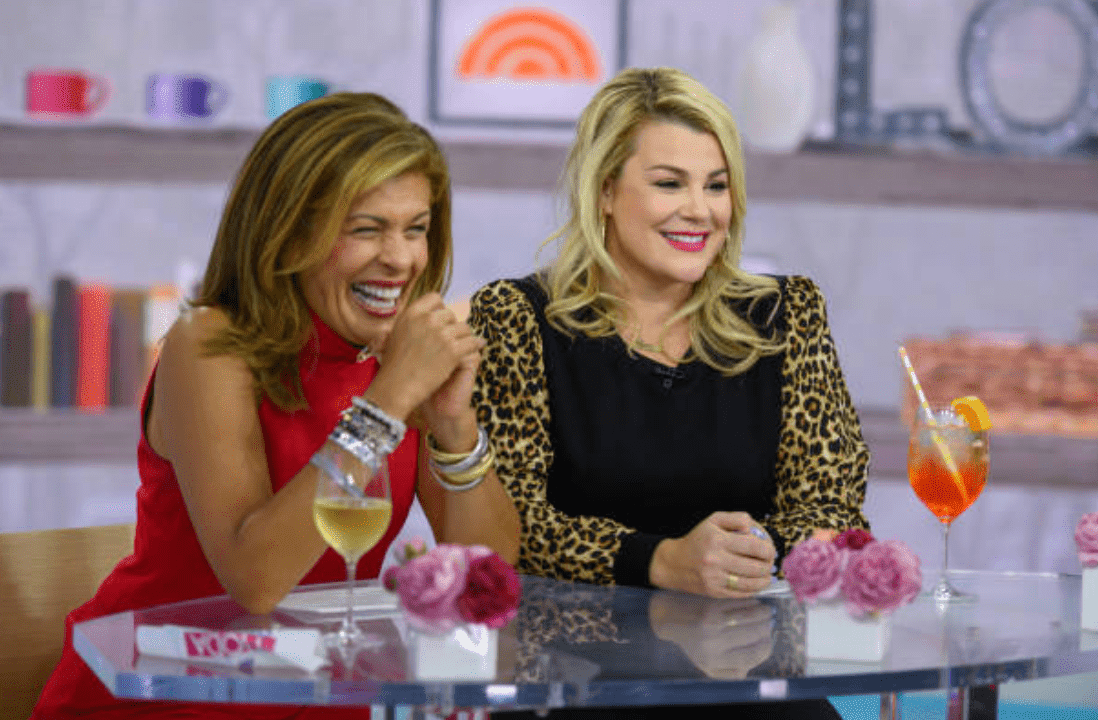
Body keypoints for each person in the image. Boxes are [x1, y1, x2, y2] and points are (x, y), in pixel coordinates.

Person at [32, 92, 520, 719]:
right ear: (289, 233)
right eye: (365, 228)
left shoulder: (394, 357)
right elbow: (257, 579)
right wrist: (392, 396)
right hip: (170, 694)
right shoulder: (209, 345)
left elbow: (488, 573)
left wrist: (454, 423)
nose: (400, 259)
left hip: (313, 694)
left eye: (416, 228)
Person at [468, 67, 869, 719]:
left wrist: (749, 553)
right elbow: (514, 528)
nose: (701, 210)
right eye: (668, 183)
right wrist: (662, 560)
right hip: (576, 685)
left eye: (717, 185)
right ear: (603, 190)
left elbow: (833, 502)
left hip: (753, 678)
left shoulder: (786, 314)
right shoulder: (517, 317)